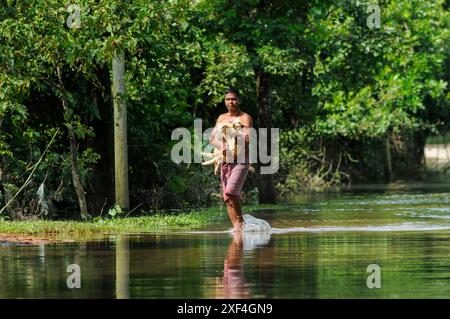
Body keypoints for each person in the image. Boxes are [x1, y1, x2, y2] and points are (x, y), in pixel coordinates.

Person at [209, 87, 252, 232]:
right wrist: (222, 146)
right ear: (224, 101)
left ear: (238, 100)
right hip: (225, 161)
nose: (231, 102)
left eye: (233, 99)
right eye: (228, 99)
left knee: (231, 191)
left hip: (241, 160)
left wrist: (234, 137)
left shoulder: (245, 118)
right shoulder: (222, 118)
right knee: (227, 197)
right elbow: (212, 139)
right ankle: (237, 230)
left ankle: (240, 221)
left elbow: (247, 138)